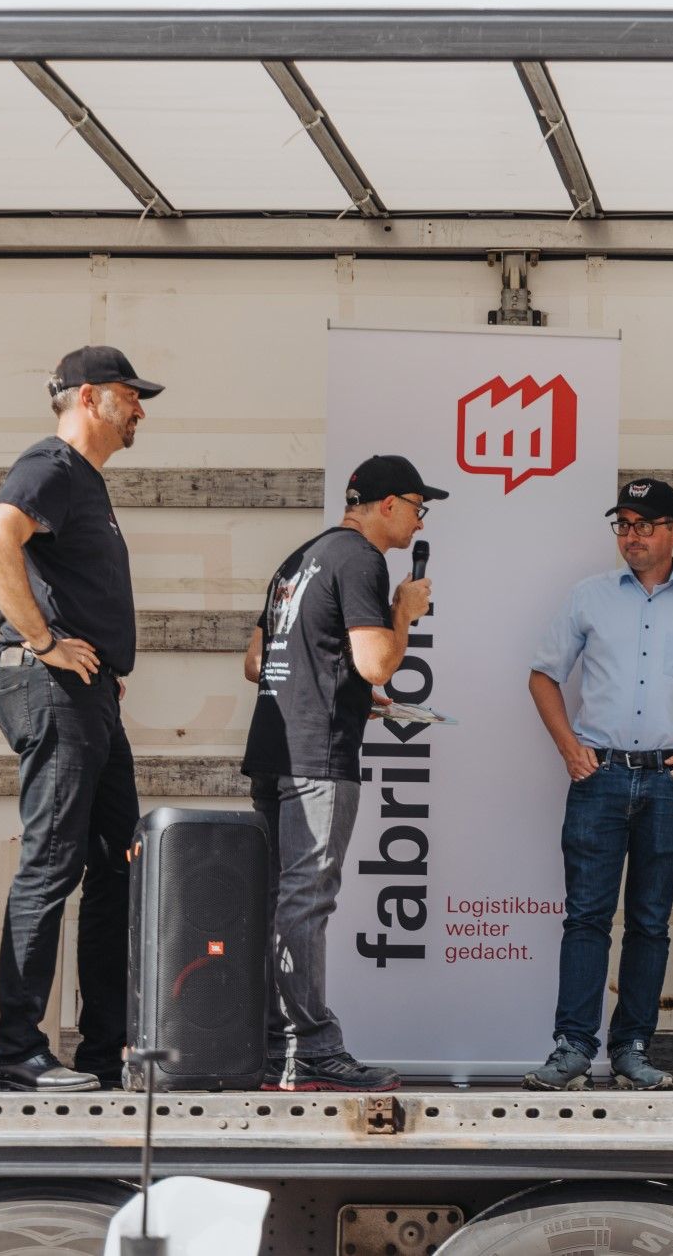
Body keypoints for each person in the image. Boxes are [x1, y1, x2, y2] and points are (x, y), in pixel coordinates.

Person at [523, 477, 673, 1091]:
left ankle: (631, 1050)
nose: (632, 535)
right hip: (599, 777)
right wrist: (570, 748)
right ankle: (572, 1049)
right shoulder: (588, 597)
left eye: (644, 525)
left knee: (652, 922)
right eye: (623, 524)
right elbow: (544, 675)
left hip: (670, 782)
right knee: (587, 918)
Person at [0, 346, 162, 1091]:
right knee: (52, 863)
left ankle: (105, 1051)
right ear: (89, 396)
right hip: (51, 691)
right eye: (130, 393)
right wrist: (43, 641)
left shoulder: (83, 483)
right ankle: (18, 1051)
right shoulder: (50, 463)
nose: (141, 407)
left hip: (90, 697)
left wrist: (102, 669)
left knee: (120, 863)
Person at [241, 454, 441, 1092]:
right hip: (316, 758)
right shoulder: (362, 559)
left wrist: (350, 694)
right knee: (306, 899)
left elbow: (255, 662)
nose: (418, 520)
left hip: (274, 749)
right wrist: (403, 610)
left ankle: (277, 1048)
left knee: (281, 899)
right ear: (387, 505)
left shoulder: (299, 557)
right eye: (417, 506)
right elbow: (377, 659)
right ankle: (310, 1052)